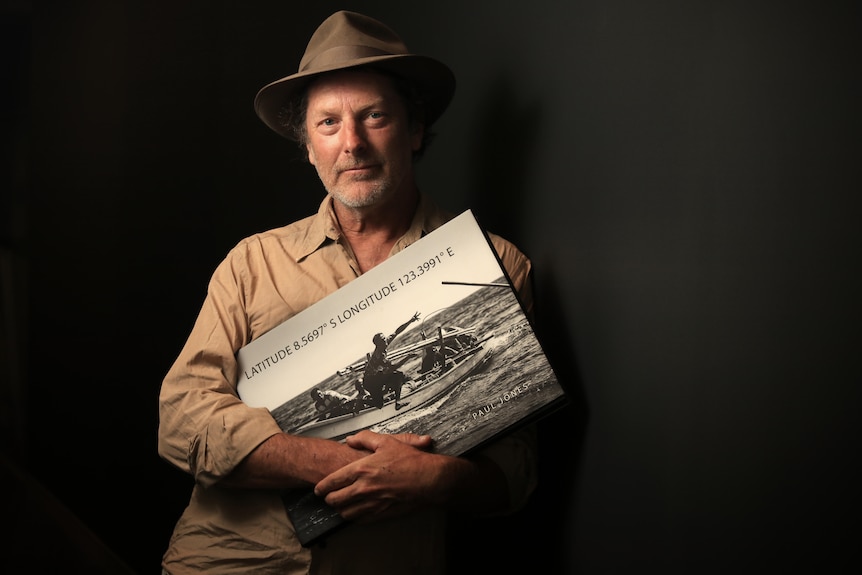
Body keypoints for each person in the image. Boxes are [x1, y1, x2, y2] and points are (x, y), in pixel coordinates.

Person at [158, 10, 537, 575]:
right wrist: (328, 459)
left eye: (374, 117)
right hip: (226, 562)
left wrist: (435, 478)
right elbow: (181, 419)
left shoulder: (497, 265)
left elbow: (515, 476)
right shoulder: (252, 263)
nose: (352, 143)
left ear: (413, 129)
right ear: (309, 146)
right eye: (328, 124)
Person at [361, 312, 420, 410]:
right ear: (378, 345)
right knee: (379, 405)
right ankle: (361, 401)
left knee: (398, 376)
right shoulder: (379, 357)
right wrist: (408, 357)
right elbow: (393, 367)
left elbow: (397, 331)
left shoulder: (384, 343)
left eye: (385, 339)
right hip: (370, 382)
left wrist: (411, 320)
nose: (385, 341)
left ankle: (397, 402)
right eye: (383, 341)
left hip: (376, 376)